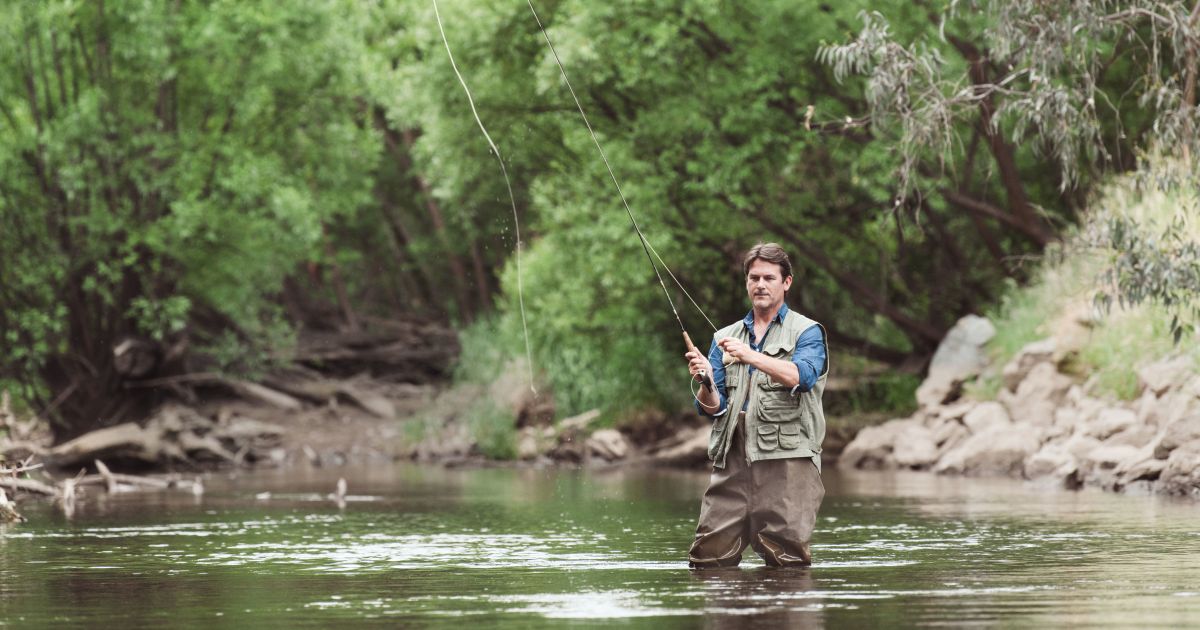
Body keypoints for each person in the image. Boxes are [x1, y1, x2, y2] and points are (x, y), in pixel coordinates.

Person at [684, 242, 828, 568]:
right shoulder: (724, 336)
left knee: (788, 563)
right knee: (707, 560)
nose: (760, 284)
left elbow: (802, 376)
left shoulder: (807, 332)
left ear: (786, 282)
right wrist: (706, 381)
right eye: (754, 278)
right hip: (732, 461)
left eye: (769, 278)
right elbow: (713, 408)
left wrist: (750, 355)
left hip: (788, 462)